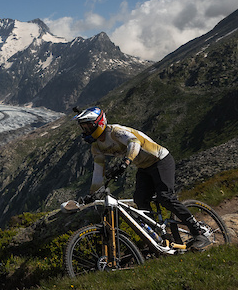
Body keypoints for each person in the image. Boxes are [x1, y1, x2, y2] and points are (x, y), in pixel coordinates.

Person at [73, 106, 211, 251]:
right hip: (144, 167)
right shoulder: (96, 146)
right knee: (140, 200)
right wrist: (92, 194)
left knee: (165, 197)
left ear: (99, 123)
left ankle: (199, 233)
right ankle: (159, 239)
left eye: (88, 127)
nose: (86, 131)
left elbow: (134, 142)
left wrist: (126, 162)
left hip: (160, 160)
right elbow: (98, 172)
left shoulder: (115, 132)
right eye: (83, 128)